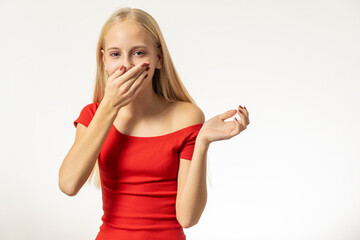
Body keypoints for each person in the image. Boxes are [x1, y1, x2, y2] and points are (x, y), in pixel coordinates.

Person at [58, 7, 250, 240]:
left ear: (158, 59)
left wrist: (203, 142)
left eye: (138, 53)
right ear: (104, 61)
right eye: (115, 54)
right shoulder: (93, 115)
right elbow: (68, 185)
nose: (126, 65)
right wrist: (110, 106)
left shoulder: (187, 116)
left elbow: (188, 218)